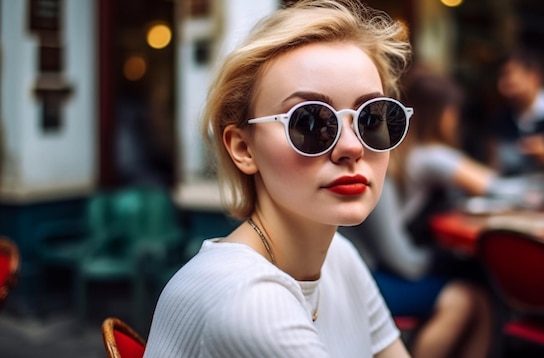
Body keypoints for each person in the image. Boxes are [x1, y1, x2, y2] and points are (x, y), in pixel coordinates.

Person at [143, 1, 414, 357]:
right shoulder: (250, 303)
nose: (351, 147)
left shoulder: (338, 257)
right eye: (309, 123)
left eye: (371, 119)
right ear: (244, 148)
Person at [342, 68, 495, 358]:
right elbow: (405, 263)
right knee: (463, 298)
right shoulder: (380, 168)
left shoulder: (399, 160)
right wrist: (449, 260)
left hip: (373, 272)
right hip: (362, 280)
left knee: (481, 300)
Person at [490, 47, 544, 176]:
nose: (502, 85)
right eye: (500, 76)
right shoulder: (501, 117)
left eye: (508, 75)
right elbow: (493, 166)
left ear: (534, 77)